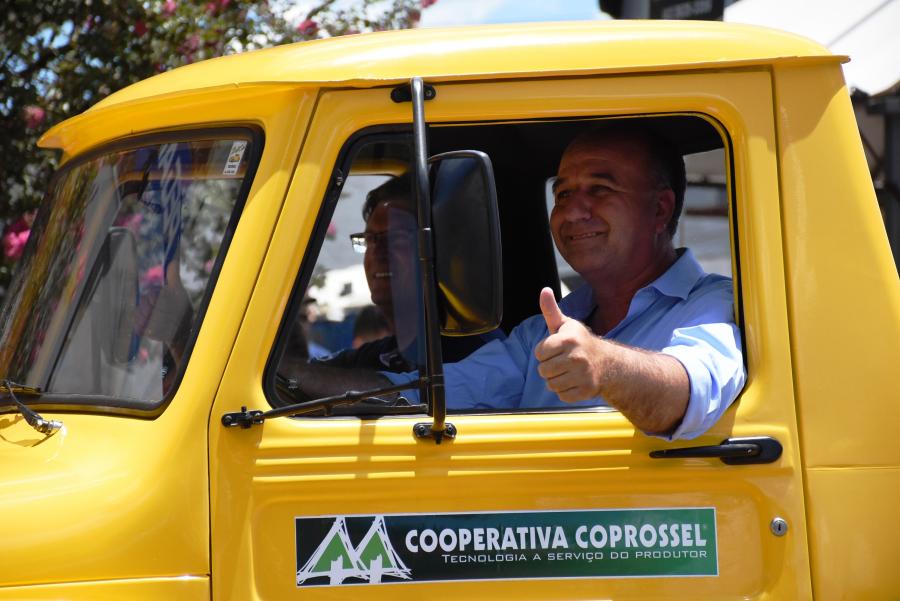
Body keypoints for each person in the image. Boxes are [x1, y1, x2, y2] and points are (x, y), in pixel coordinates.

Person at [297, 123, 745, 440]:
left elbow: (690, 394)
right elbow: (427, 393)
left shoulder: (714, 303)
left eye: (600, 189)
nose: (572, 211)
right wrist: (287, 379)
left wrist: (603, 365)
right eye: (563, 193)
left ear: (660, 209)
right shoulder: (542, 330)